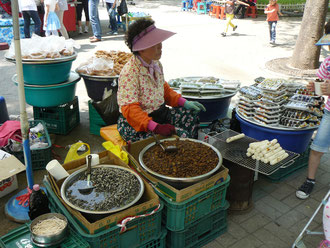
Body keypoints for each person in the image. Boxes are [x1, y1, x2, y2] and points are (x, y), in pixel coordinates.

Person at [117, 18, 206, 143]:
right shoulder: (130, 72)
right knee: (176, 138)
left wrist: (184, 102)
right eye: (154, 43)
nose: (160, 46)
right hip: (137, 124)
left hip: (160, 114)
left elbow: (163, 89)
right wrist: (156, 127)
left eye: (159, 41)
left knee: (191, 114)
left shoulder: (156, 64)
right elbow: (130, 110)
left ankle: (187, 149)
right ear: (142, 49)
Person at [296, 22, 330, 201]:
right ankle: (310, 180)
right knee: (317, 147)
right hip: (329, 113)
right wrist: (314, 87)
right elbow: (321, 85)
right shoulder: (328, 62)